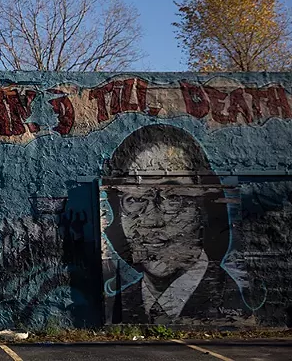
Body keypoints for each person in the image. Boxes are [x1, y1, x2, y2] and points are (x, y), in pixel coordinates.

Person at [102, 124, 247, 324]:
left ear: (202, 207)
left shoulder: (235, 305)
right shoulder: (118, 307)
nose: (153, 221)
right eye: (134, 200)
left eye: (173, 198)